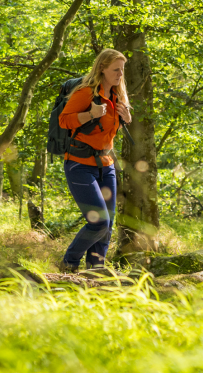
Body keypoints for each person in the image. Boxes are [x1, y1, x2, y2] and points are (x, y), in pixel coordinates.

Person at [57, 48, 131, 273]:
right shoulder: (85, 93)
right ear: (102, 68)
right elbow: (64, 121)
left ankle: (96, 271)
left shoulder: (118, 96)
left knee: (107, 227)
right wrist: (91, 114)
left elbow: (113, 129)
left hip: (106, 165)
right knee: (99, 222)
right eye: (116, 70)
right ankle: (69, 262)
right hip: (79, 165)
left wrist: (127, 117)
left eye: (122, 70)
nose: (120, 74)